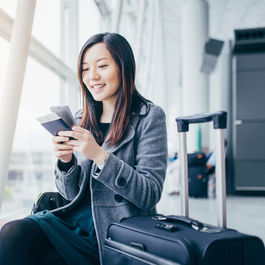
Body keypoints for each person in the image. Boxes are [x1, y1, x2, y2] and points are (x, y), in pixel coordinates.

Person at [0, 32, 168, 265]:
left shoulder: (149, 117)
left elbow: (149, 194)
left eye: (102, 66)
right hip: (75, 222)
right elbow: (70, 195)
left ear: (124, 67)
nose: (92, 76)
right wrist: (66, 161)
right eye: (85, 69)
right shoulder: (81, 118)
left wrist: (100, 156)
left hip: (116, 231)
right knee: (12, 232)